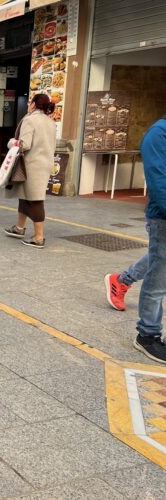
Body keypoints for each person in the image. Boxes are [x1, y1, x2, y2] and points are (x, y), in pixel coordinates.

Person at [106, 116, 166, 363]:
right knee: (160, 274)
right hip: (163, 218)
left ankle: (121, 279)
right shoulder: (159, 134)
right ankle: (148, 334)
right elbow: (159, 181)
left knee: (160, 260)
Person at [3, 93, 57, 249]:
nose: (28, 104)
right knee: (25, 195)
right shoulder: (50, 122)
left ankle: (39, 237)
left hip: (32, 164)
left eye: (29, 102)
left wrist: (11, 142)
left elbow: (24, 144)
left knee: (35, 200)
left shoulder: (30, 120)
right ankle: (19, 227)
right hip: (44, 163)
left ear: (33, 104)